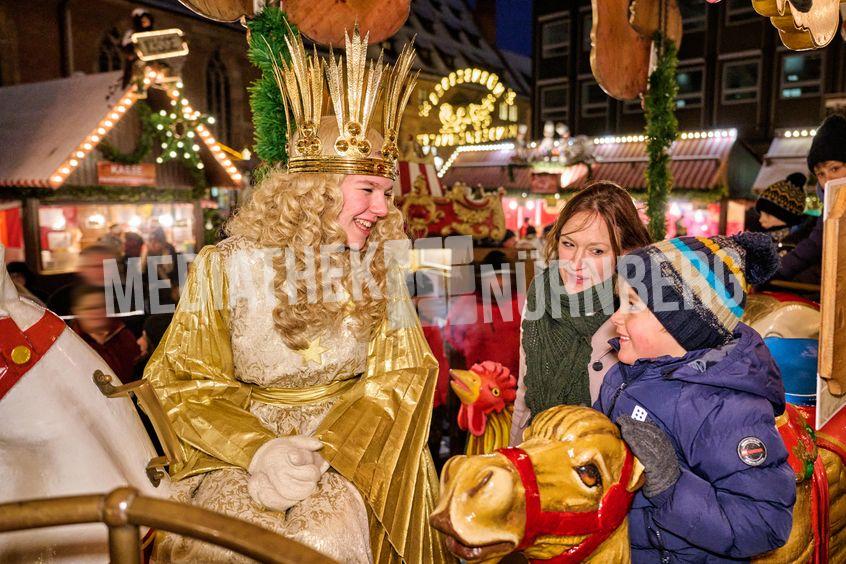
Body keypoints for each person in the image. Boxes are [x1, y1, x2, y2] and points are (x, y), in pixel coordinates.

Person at [143, 29, 448, 563]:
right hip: (240, 446)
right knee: (222, 544)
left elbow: (403, 376)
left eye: (386, 194)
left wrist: (326, 451)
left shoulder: (378, 269)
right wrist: (258, 450)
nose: (381, 208)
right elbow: (182, 377)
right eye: (368, 190)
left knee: (322, 539)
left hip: (351, 449)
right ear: (316, 191)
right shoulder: (224, 268)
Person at [596, 232, 795, 562]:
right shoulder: (621, 375)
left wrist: (671, 484)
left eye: (632, 304)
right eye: (620, 302)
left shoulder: (728, 409)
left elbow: (765, 523)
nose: (616, 317)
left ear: (681, 323)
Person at [510, 181, 652, 446]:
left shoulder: (637, 311)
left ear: (625, 253)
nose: (575, 263)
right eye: (568, 244)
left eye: (596, 251)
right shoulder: (540, 293)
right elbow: (524, 395)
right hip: (538, 451)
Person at [777, 114, 846, 284]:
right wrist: (776, 270)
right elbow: (815, 244)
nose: (828, 179)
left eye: (835, 169)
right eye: (821, 174)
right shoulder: (829, 208)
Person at [445, 250, 521, 377]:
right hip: (479, 385)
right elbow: (452, 342)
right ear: (482, 279)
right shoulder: (466, 305)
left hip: (518, 382)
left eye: (504, 277)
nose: (499, 282)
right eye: (494, 277)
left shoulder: (522, 302)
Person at [70, 285, 140, 384]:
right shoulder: (71, 343)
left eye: (101, 307)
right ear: (77, 312)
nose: (97, 313)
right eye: (90, 309)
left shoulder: (124, 335)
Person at [753, 173, 807, 248]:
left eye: (768, 215)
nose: (761, 219)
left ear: (786, 218)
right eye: (761, 214)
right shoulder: (759, 239)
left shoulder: (800, 246)